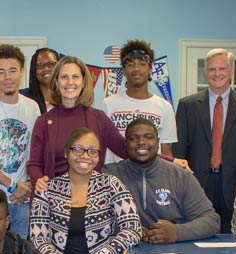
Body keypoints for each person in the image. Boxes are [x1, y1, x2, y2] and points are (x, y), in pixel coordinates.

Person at [103, 119, 220, 254]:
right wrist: (131, 230)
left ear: (158, 142)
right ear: (125, 144)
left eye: (148, 137)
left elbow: (211, 220)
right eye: (133, 138)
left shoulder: (179, 176)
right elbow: (92, 219)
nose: (141, 142)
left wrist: (176, 232)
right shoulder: (109, 175)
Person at [29, 128, 141, 254]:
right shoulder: (48, 189)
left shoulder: (111, 184)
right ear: (66, 153)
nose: (85, 156)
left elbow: (133, 230)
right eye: (78, 149)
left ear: (99, 156)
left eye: (92, 151)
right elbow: (37, 239)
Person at [172, 48, 236, 233]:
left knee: (233, 239)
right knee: (197, 234)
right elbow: (179, 150)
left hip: (234, 185)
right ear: (205, 72)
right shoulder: (187, 105)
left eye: (222, 68)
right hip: (197, 183)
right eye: (212, 69)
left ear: (231, 71)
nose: (217, 73)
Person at [27, 56, 126, 187]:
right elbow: (34, 164)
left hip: (90, 197)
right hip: (54, 197)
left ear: (84, 82)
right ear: (56, 82)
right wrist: (38, 180)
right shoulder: (43, 122)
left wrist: (159, 158)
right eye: (64, 77)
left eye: (75, 77)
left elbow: (125, 150)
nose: (70, 82)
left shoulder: (99, 119)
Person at [0, 44, 40, 238]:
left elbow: (35, 153)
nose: (7, 77)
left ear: (21, 71)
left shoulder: (32, 107)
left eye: (12, 70)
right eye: (1, 72)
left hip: (22, 199)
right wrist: (12, 185)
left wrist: (26, 185)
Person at [100, 39, 177, 164]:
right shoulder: (108, 104)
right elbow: (101, 146)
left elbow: (166, 150)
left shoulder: (165, 107)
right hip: (115, 176)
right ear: (124, 70)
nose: (136, 69)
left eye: (142, 64)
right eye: (130, 64)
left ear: (150, 69)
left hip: (151, 177)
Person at [20, 47, 59, 114]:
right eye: (40, 65)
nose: (46, 69)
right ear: (34, 70)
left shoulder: (68, 97)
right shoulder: (22, 96)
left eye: (51, 64)